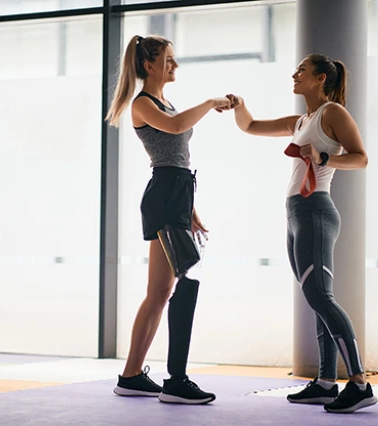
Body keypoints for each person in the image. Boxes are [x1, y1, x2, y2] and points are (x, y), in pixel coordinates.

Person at [227, 53, 378, 414]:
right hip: (295, 213)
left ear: (321, 78)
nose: (294, 74)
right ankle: (326, 383)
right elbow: (250, 126)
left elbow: (360, 157)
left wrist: (325, 159)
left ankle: (359, 383)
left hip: (316, 211)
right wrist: (240, 105)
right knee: (315, 297)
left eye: (302, 71)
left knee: (320, 296)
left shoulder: (333, 113)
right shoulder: (301, 121)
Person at [105, 34, 231, 405]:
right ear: (149, 64)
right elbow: (175, 131)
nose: (174, 66)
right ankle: (176, 380)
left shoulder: (166, 102)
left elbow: (179, 158)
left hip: (174, 196)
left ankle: (130, 376)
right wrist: (210, 102)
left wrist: (189, 210)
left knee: (160, 292)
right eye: (169, 60)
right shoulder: (143, 104)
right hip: (163, 196)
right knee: (184, 280)